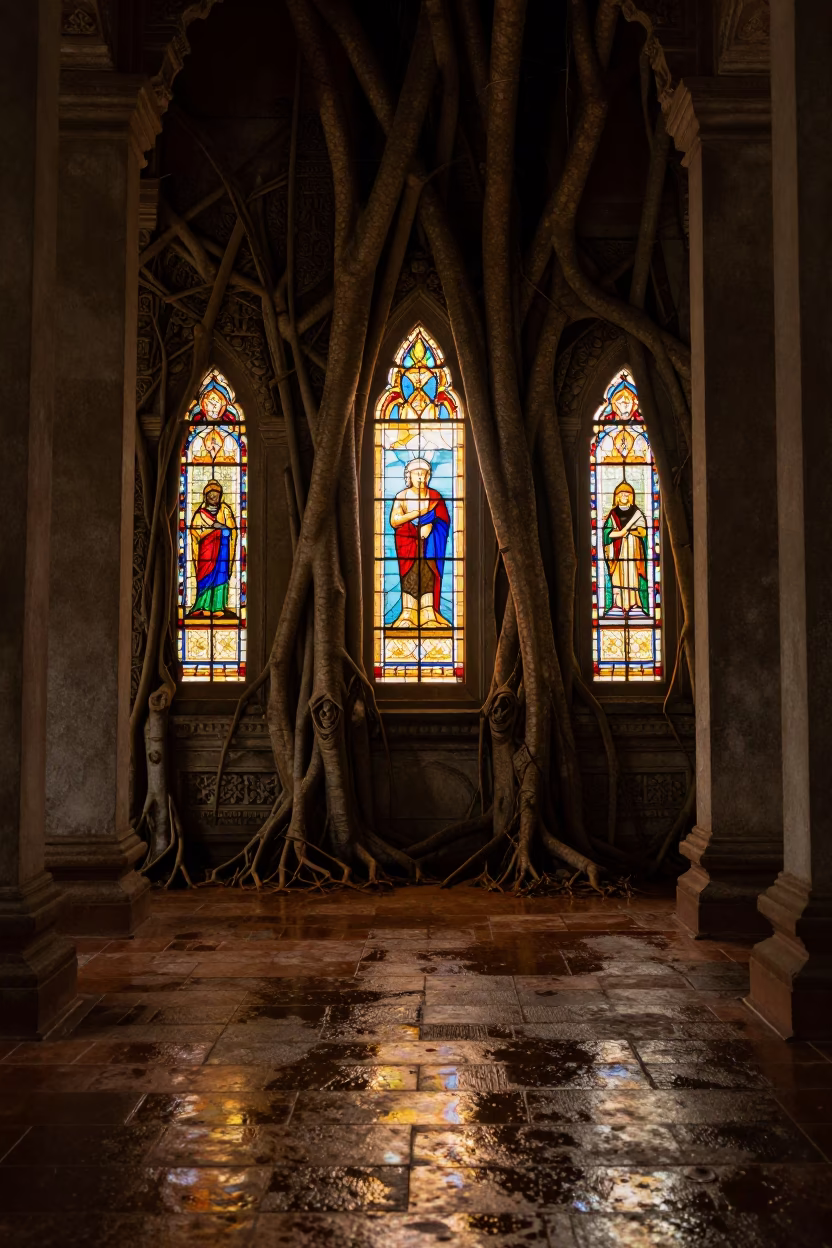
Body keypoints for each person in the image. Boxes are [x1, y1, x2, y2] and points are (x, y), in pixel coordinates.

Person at [389, 458, 451, 628]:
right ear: (409, 476)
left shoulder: (435, 497)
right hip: (407, 543)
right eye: (417, 474)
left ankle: (428, 612)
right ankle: (408, 613)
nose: (420, 478)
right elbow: (394, 521)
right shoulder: (401, 496)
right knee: (409, 574)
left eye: (424, 475)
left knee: (427, 572)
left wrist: (431, 525)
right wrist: (415, 515)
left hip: (429, 544)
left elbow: (444, 519)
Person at [188, 480, 238, 618]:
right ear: (205, 497)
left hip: (222, 552)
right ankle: (202, 605)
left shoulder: (225, 510)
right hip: (206, 552)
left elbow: (232, 530)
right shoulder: (199, 514)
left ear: (220, 496)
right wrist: (211, 531)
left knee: (220, 577)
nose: (213, 497)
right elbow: (195, 533)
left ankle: (218, 606)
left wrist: (222, 531)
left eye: (216, 494)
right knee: (205, 577)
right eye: (210, 495)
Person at [603, 480, 649, 614]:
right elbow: (606, 533)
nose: (625, 497)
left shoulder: (637, 513)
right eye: (622, 494)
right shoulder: (613, 514)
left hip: (633, 547)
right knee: (618, 574)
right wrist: (619, 533)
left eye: (627, 494)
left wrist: (630, 532)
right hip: (618, 549)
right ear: (617, 497)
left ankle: (634, 602)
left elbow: (643, 532)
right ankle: (618, 603)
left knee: (632, 574)